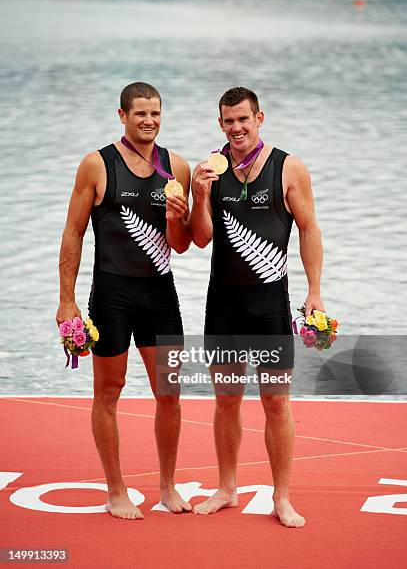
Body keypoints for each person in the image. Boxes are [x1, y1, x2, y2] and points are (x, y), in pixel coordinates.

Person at [188, 86, 325, 527]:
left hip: (269, 304)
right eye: (228, 121)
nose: (236, 128)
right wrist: (198, 194)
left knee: (276, 402)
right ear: (220, 124)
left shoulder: (289, 168)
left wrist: (315, 291)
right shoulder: (210, 170)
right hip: (223, 303)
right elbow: (202, 238)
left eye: (243, 119)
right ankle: (226, 488)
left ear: (260, 118)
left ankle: (281, 497)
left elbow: (308, 229)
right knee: (226, 400)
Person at [56, 82, 191, 519]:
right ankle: (116, 490)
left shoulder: (178, 167)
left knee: (169, 392)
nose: (148, 121)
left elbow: (182, 243)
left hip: (161, 295)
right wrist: (66, 301)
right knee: (108, 392)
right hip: (111, 294)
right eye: (139, 114)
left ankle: (167, 487)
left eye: (155, 113)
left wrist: (179, 217)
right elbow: (73, 233)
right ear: (122, 115)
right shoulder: (97, 165)